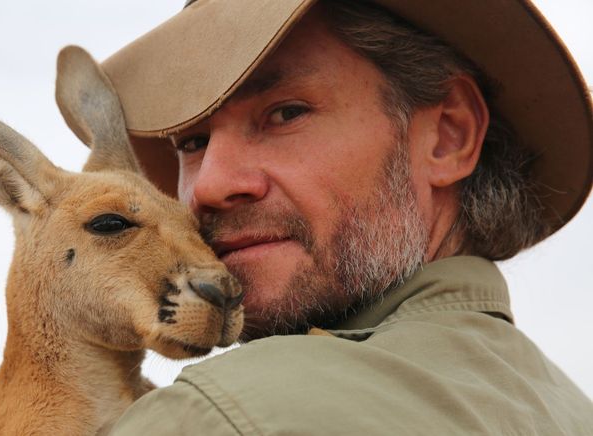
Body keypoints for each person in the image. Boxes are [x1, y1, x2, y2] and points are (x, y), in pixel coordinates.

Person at [98, 0, 593, 434]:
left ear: (448, 136)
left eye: (286, 113)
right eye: (192, 142)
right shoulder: (571, 410)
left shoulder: (218, 415)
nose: (208, 185)